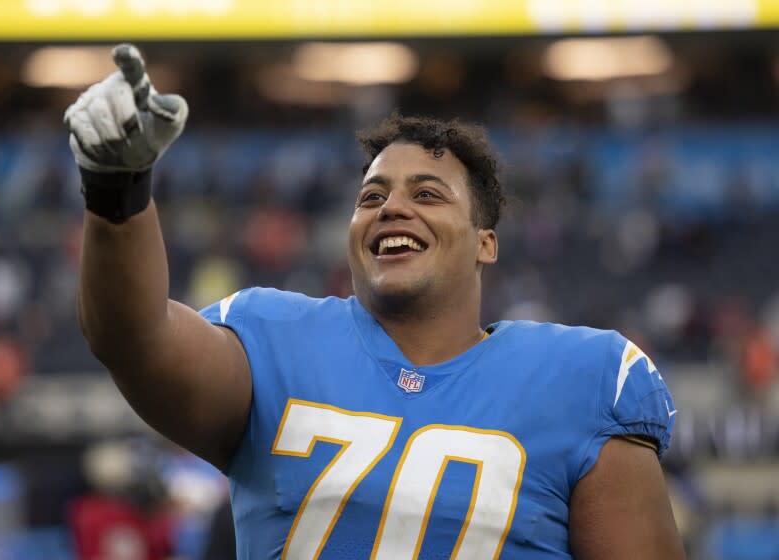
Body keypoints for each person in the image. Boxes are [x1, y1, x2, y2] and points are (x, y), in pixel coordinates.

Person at [65, 44, 686, 559]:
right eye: (371, 196)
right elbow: (132, 336)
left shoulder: (583, 378)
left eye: (428, 194)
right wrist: (116, 192)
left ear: (485, 243)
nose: (392, 207)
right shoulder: (274, 340)